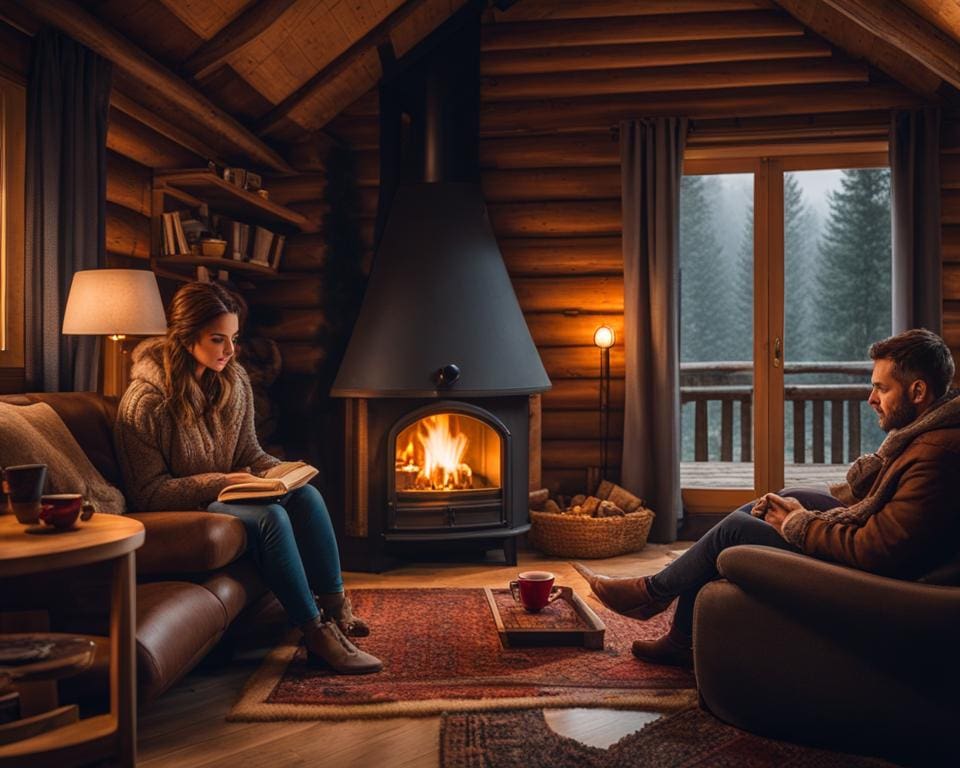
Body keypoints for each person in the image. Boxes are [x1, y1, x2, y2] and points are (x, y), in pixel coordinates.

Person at [575, 328, 960, 669]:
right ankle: (673, 629)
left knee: (737, 530)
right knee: (783, 497)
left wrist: (798, 524)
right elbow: (884, 516)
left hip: (878, 583)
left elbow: (875, 551)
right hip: (876, 553)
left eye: (881, 387)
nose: (870, 398)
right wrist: (794, 510)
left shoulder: (936, 455)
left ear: (918, 391)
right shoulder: (926, 435)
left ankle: (653, 596)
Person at [114, 281, 381, 674]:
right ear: (186, 337)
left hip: (229, 491)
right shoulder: (145, 402)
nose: (230, 351)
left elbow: (248, 453)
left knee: (306, 497)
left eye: (234, 338)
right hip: (188, 506)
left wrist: (280, 474)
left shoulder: (234, 381)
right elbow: (148, 492)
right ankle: (316, 634)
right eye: (218, 339)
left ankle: (336, 607)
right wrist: (220, 481)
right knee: (271, 519)